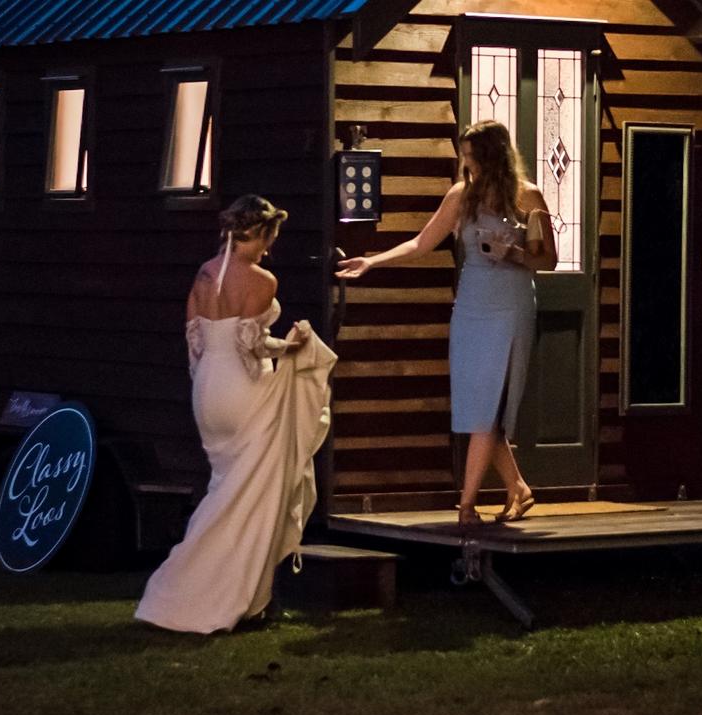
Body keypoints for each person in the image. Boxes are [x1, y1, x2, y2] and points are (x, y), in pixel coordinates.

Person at [336, 120, 557, 527]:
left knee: (489, 408)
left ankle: (467, 504)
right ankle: (519, 488)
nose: (465, 162)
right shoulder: (462, 195)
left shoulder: (528, 196)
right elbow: (422, 243)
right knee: (476, 402)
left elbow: (548, 261)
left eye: (472, 155)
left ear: (493, 156)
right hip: (472, 305)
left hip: (510, 305)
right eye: (464, 155)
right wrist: (371, 261)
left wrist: (512, 254)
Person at [135, 195, 337, 634]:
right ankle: (225, 592)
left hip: (208, 388)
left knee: (227, 488)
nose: (269, 249)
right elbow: (252, 343)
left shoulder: (205, 273)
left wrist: (206, 379)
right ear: (262, 234)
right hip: (242, 389)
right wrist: (291, 347)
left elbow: (196, 337)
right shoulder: (261, 279)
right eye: (270, 240)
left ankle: (229, 592)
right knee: (255, 491)